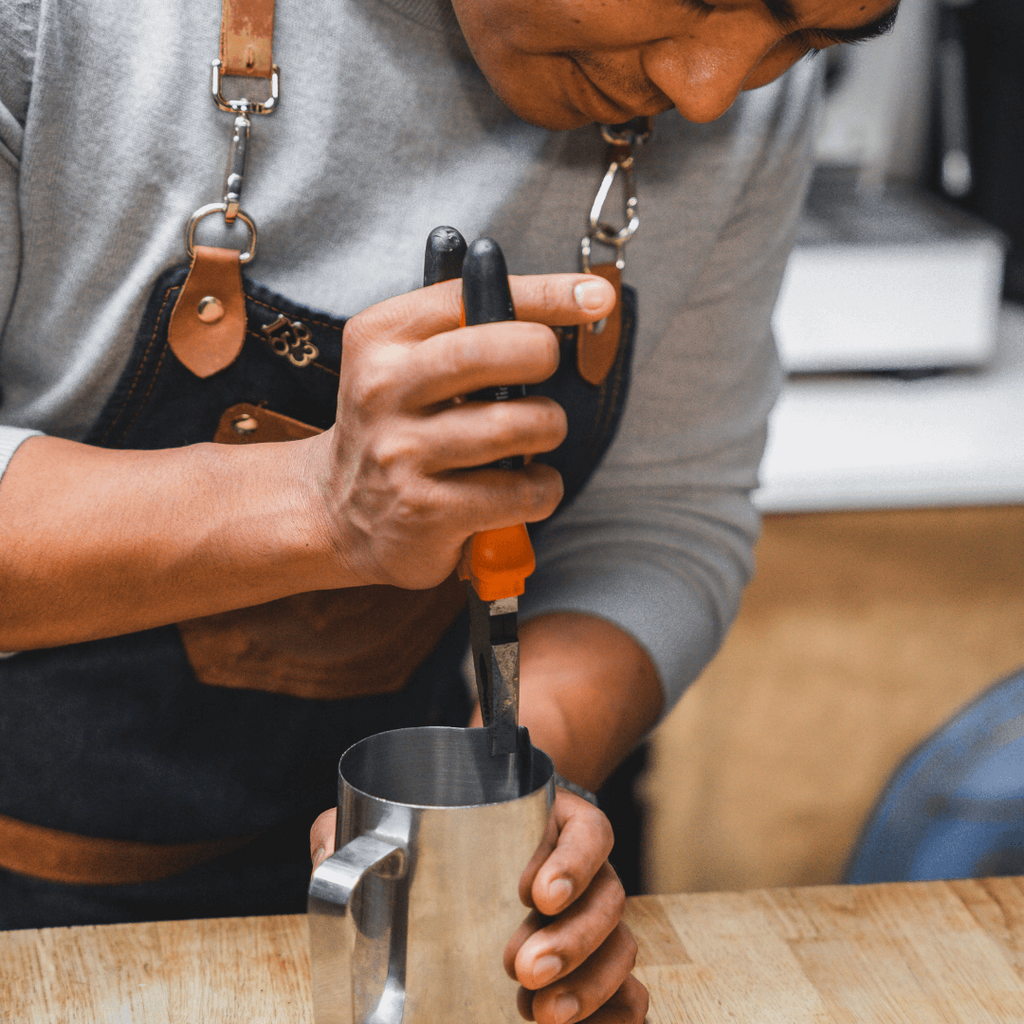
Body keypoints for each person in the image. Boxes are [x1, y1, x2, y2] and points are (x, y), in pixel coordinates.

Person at [0, 0, 899, 1019]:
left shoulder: (741, 100)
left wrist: (512, 804)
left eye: (812, 39)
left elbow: (664, 517)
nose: (710, 90)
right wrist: (318, 503)